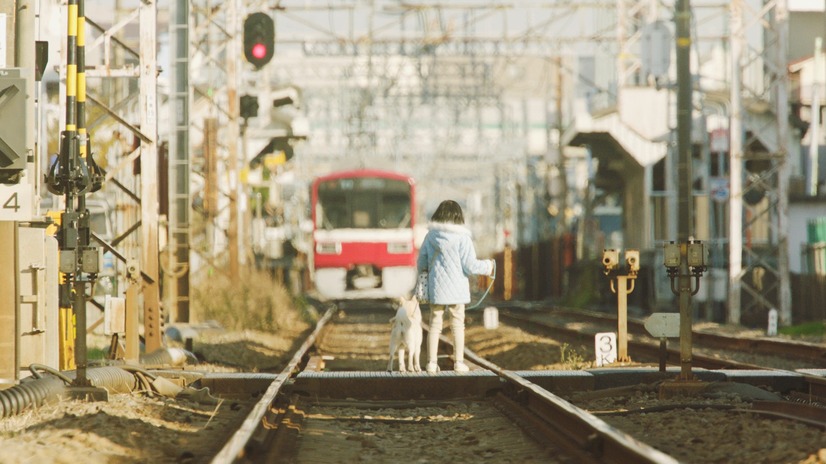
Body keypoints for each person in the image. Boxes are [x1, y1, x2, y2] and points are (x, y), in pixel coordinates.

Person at [417, 200, 495, 373]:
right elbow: (470, 266)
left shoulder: (430, 236)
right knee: (458, 325)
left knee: (434, 324)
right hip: (457, 290)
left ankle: (431, 363)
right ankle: (459, 363)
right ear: (458, 217)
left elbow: (421, 262)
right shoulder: (463, 237)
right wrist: (488, 266)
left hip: (436, 289)